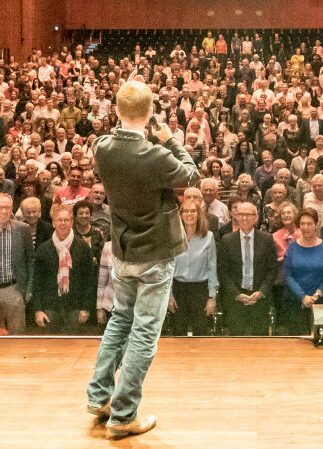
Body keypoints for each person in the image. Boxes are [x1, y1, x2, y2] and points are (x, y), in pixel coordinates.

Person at [87, 77, 199, 437]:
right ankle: (122, 416)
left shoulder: (102, 147)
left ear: (116, 111)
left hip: (122, 250)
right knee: (144, 333)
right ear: (151, 113)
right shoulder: (156, 154)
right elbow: (192, 174)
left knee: (121, 319)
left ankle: (99, 397)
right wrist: (170, 139)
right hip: (154, 253)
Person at [217, 202, 278, 336]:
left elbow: (272, 270)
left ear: (256, 217)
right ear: (236, 216)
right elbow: (223, 272)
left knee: (259, 343)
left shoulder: (267, 239)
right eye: (241, 214)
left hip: (259, 300)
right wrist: (236, 294)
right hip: (235, 301)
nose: (244, 218)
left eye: (248, 215)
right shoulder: (227, 240)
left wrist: (261, 292)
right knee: (236, 344)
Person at [33, 205, 94, 334]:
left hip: (76, 307)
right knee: (50, 347)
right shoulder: (43, 249)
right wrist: (38, 310)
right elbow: (37, 282)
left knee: (74, 348)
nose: (63, 223)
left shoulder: (83, 248)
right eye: (59, 220)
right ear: (53, 223)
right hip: (50, 307)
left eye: (66, 220)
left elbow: (90, 280)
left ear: (72, 223)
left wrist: (86, 308)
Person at [168, 196, 218, 336]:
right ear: (181, 214)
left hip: (200, 290)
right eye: (186, 211)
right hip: (178, 290)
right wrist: (169, 296)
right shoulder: (172, 237)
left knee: (201, 333)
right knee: (178, 332)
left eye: (193, 211)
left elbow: (212, 268)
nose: (189, 214)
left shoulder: (208, 237)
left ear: (199, 214)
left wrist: (212, 297)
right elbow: (167, 269)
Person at [283, 208, 323, 334]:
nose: (306, 227)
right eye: (302, 224)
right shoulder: (291, 248)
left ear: (317, 225)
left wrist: (317, 295)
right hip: (295, 303)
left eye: (309, 223)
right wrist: (303, 296)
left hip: (321, 303)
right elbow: (288, 275)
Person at [0, 193, 33, 334]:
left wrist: (28, 289)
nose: (4, 211)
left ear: (12, 208)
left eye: (7, 207)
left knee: (17, 337)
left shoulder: (23, 229)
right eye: (0, 207)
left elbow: (31, 261)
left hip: (13, 289)